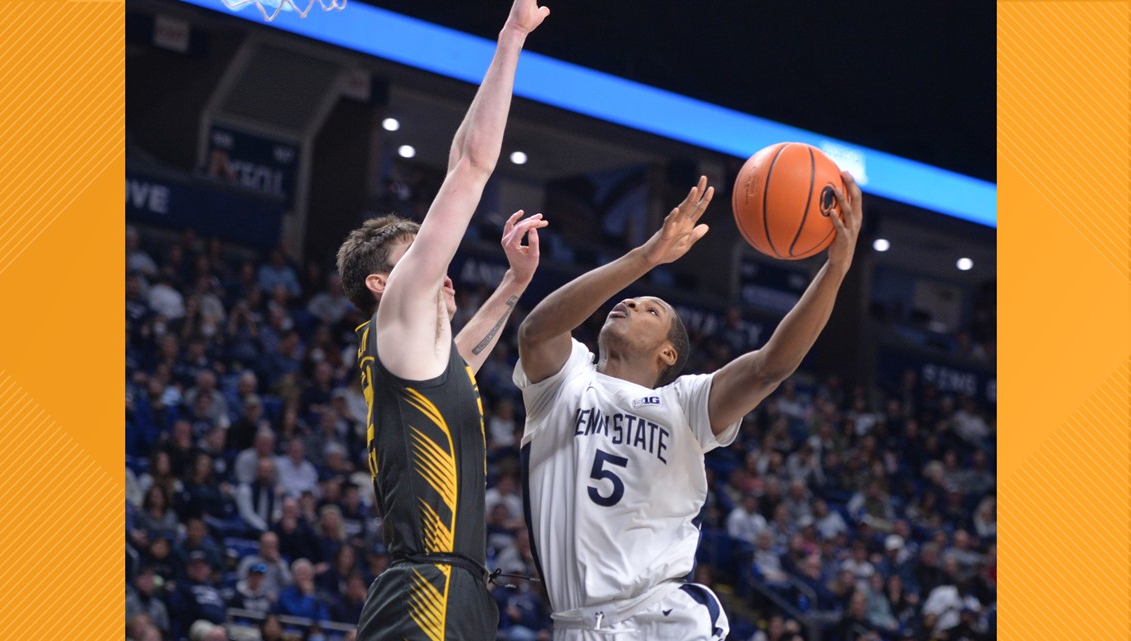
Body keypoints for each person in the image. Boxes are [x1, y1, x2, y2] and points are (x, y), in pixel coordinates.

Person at [515, 173, 863, 639]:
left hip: (660, 618)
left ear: (668, 354)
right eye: (631, 299)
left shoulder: (686, 402)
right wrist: (647, 256)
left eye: (650, 310)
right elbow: (536, 331)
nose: (632, 301)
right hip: (576, 625)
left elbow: (770, 367)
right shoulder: (565, 381)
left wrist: (835, 270)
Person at [333, 1, 550, 639]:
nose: (443, 269)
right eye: (418, 258)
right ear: (383, 283)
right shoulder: (398, 310)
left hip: (453, 586)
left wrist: (513, 283)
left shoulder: (418, 355)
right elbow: (470, 165)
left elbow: (465, 355)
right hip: (427, 588)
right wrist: (511, 38)